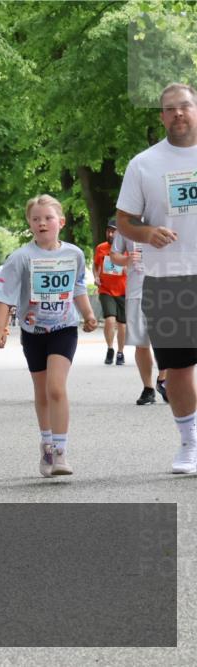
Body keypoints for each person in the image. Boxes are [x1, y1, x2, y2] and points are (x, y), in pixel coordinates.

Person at [115, 82, 197, 474]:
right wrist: (147, 233)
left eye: (185, 106)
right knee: (179, 368)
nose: (178, 113)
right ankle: (189, 444)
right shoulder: (143, 164)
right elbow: (124, 220)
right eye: (170, 108)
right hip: (167, 278)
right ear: (162, 116)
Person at [0, 195, 98, 478]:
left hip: (64, 328)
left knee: (56, 388)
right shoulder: (21, 257)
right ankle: (47, 443)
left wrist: (87, 314)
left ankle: (61, 452)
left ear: (60, 222)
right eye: (36, 219)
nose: (42, 223)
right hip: (33, 332)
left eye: (48, 218)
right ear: (29, 224)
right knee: (41, 392)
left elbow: (77, 287)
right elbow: (5, 295)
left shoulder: (74, 254)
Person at [109, 227, 167, 404]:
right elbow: (114, 255)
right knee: (141, 343)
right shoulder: (126, 227)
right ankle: (148, 388)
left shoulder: (164, 219)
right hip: (137, 290)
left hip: (167, 289)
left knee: (167, 340)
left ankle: (163, 380)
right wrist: (126, 259)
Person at [93, 219, 127, 365]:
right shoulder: (101, 248)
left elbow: (136, 267)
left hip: (124, 290)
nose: (110, 233)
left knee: (122, 324)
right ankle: (110, 348)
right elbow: (96, 266)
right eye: (108, 231)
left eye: (113, 231)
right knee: (110, 320)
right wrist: (96, 276)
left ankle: (120, 352)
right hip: (105, 289)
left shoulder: (127, 249)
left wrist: (127, 268)